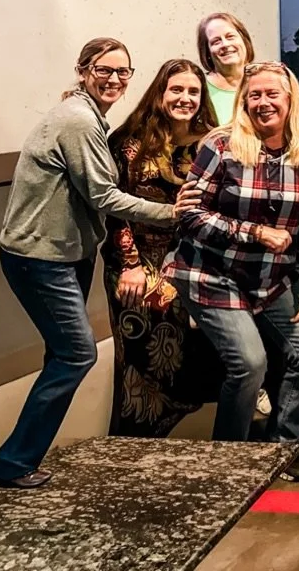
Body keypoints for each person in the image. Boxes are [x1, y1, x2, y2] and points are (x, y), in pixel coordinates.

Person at [0, 38, 191, 489]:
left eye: (123, 72)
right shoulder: (79, 120)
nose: (115, 79)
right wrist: (174, 213)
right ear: (83, 71)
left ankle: (20, 459)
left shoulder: (87, 116)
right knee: (76, 354)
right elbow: (104, 195)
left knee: (62, 354)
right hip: (42, 259)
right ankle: (12, 462)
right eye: (105, 69)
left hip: (66, 255)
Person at [163, 62, 299, 482]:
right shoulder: (221, 145)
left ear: (290, 98)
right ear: (243, 102)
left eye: (272, 94)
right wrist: (254, 232)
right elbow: (189, 215)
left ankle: (285, 446)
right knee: (249, 362)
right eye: (253, 95)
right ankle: (230, 458)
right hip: (210, 274)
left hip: (272, 281)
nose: (263, 103)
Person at [103, 59, 221, 437]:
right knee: (140, 356)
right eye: (177, 90)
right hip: (137, 259)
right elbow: (114, 208)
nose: (185, 98)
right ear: (160, 92)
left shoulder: (212, 143)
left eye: (193, 91)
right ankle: (134, 441)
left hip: (194, 260)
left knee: (198, 352)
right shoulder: (129, 142)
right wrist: (131, 265)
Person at [197, 12, 255, 124]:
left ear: (244, 40)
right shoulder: (199, 89)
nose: (225, 44)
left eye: (230, 37)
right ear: (207, 52)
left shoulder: (264, 82)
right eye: (216, 41)